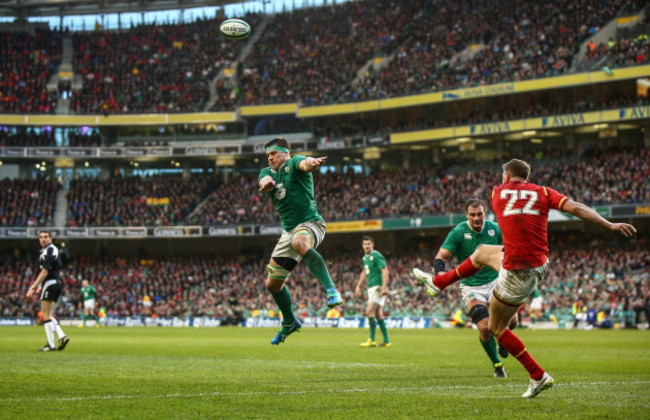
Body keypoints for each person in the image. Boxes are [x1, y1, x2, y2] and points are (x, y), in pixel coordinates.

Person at [413, 159, 636, 398]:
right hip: (537, 262)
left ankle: (538, 376)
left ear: (507, 176)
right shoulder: (543, 192)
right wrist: (609, 224)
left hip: (518, 270)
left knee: (496, 328)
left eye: (503, 175)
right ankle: (439, 283)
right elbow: (577, 208)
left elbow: (506, 207)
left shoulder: (497, 193)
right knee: (481, 253)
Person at [258, 137, 343, 345]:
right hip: (288, 231)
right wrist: (266, 184)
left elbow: (305, 163)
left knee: (300, 243)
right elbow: (263, 182)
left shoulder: (294, 162)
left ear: (285, 153)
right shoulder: (266, 173)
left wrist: (312, 162)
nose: (270, 158)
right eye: (267, 155)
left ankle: (331, 289)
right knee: (273, 285)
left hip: (311, 223)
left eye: (273, 154)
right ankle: (289, 322)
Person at [414, 198, 509, 377]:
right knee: (483, 327)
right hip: (471, 286)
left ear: (485, 212)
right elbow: (442, 255)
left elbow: (509, 250)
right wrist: (440, 274)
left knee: (513, 321)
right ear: (466, 215)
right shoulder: (458, 232)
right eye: (472, 214)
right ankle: (497, 364)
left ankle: (504, 340)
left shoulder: (495, 229)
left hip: (497, 281)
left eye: (479, 214)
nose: (476, 218)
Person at [26, 230, 70, 351]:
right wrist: (41, 287)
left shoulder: (50, 250)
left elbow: (45, 271)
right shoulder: (48, 250)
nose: (43, 239)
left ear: (51, 238)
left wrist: (33, 287)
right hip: (53, 283)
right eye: (41, 237)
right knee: (47, 315)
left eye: (46, 237)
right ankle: (51, 343)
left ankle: (60, 337)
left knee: (46, 315)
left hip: (51, 283)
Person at [355, 236, 391, 348]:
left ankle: (371, 339)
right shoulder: (365, 257)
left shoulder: (376, 255)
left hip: (377, 287)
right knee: (378, 314)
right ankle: (386, 341)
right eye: (365, 244)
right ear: (362, 246)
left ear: (373, 245)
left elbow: (385, 271)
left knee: (369, 312)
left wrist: (384, 287)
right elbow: (364, 273)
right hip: (371, 287)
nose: (367, 246)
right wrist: (358, 286)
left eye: (368, 244)